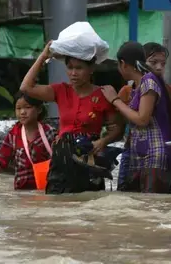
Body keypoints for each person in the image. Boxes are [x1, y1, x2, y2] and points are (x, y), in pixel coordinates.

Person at [20, 41, 123, 194]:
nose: (73, 73)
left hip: (89, 159)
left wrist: (103, 141)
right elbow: (26, 87)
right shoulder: (60, 91)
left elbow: (117, 129)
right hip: (61, 158)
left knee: (88, 206)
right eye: (70, 68)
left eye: (79, 68)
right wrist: (43, 57)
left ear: (91, 69)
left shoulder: (104, 94)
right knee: (57, 205)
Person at [101, 42, 171, 193]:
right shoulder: (139, 85)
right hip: (141, 154)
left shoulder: (148, 81)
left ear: (123, 64)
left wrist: (115, 100)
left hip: (154, 154)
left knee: (152, 208)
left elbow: (142, 119)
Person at [0, 92, 56, 190]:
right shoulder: (14, 134)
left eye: (27, 107)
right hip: (21, 190)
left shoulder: (49, 132)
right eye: (18, 108)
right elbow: (2, 158)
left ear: (39, 109)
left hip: (46, 188)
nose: (22, 112)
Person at [118, 42, 171, 137]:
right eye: (153, 62)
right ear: (140, 63)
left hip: (161, 148)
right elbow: (118, 125)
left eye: (163, 64)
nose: (159, 68)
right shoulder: (126, 92)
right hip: (133, 148)